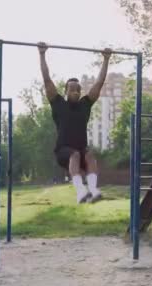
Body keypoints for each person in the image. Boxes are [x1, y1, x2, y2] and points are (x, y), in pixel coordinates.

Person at [38, 42, 112, 203]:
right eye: (72, 89)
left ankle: (92, 189)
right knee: (75, 154)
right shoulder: (58, 103)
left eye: (78, 89)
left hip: (80, 150)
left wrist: (106, 59)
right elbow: (46, 79)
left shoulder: (85, 104)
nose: (76, 92)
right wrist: (42, 54)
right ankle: (80, 192)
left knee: (89, 155)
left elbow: (99, 83)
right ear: (65, 91)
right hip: (63, 152)